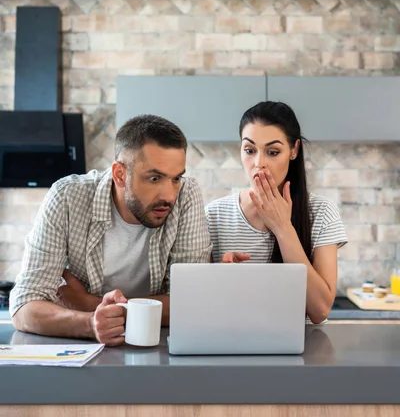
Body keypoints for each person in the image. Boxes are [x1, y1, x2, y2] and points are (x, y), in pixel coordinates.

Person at [11, 114, 212, 345]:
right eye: (154, 178)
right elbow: (24, 307)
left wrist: (89, 304)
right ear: (120, 174)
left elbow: (191, 303)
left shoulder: (186, 194)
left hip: (156, 347)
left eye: (176, 178)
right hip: (81, 351)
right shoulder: (67, 196)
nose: (169, 195)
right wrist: (90, 323)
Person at [205, 101, 348, 324]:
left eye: (272, 152)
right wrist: (222, 278)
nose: (259, 163)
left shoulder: (321, 212)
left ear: (294, 150)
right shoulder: (214, 215)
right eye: (249, 150)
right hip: (234, 342)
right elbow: (204, 305)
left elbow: (319, 310)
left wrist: (283, 228)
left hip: (302, 350)